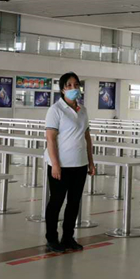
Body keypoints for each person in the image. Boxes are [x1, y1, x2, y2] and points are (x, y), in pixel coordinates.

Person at [43, 72, 95, 252]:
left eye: (76, 85)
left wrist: (91, 162)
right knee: (56, 202)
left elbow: (87, 137)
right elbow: (50, 139)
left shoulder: (83, 110)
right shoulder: (55, 110)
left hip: (79, 164)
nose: (74, 88)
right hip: (61, 165)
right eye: (69, 85)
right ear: (62, 89)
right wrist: (55, 164)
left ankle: (68, 237)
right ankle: (51, 238)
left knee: (74, 203)